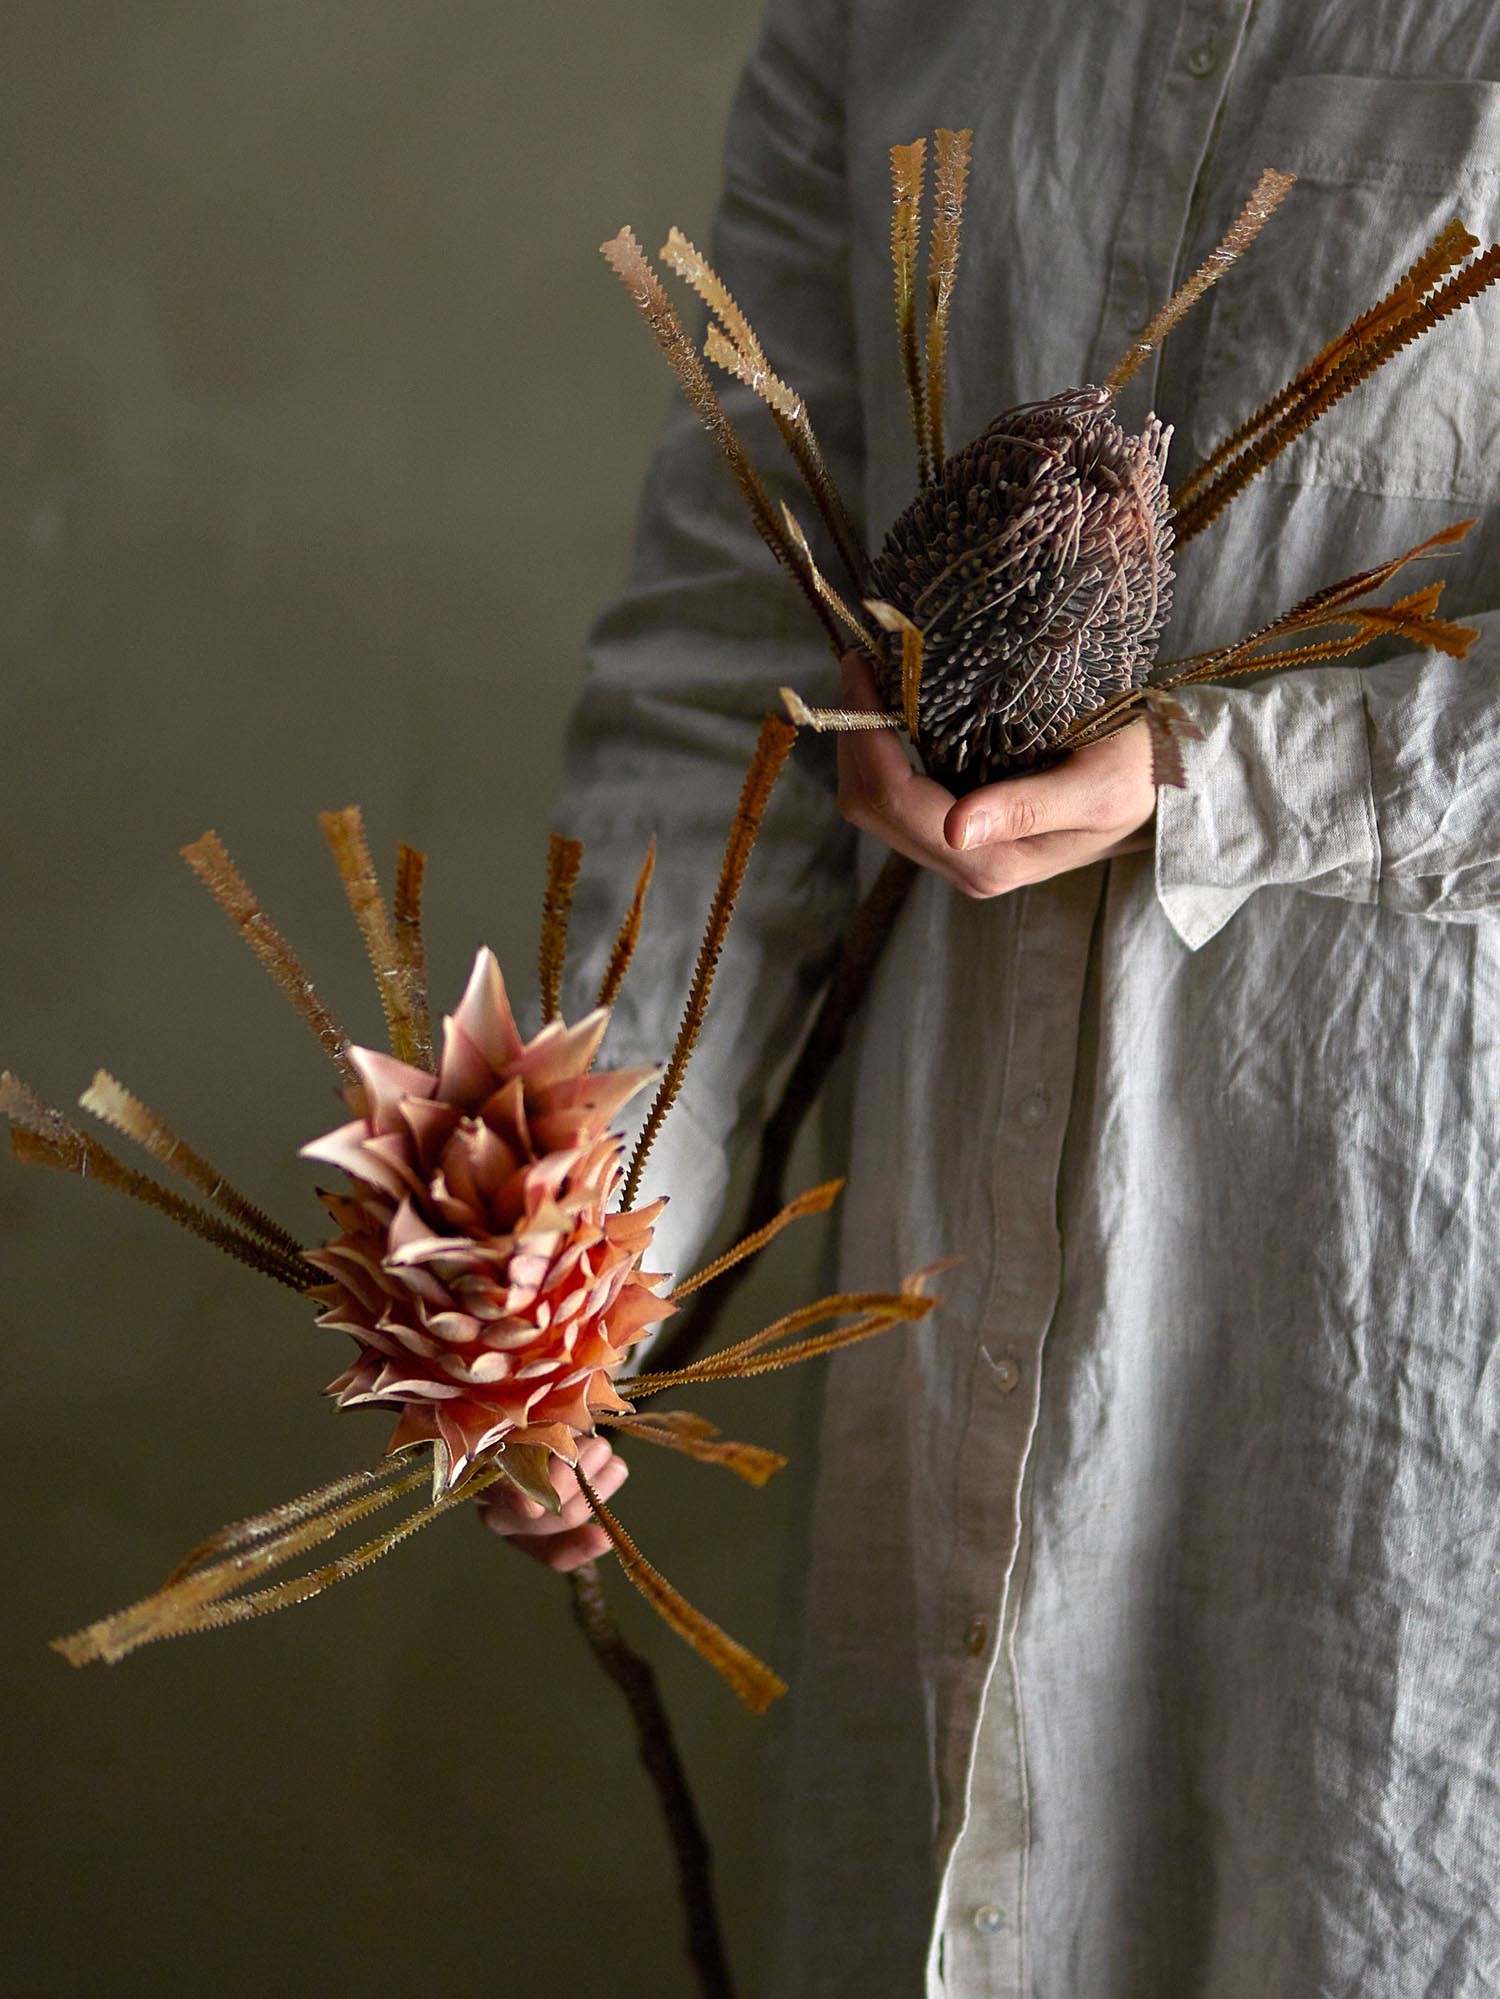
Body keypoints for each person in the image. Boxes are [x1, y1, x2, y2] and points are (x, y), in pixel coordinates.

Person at [480, 3, 1500, 1992]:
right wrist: (588, 1241)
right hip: (942, 1361)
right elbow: (728, 667)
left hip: (1396, 1362)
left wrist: (1227, 776)